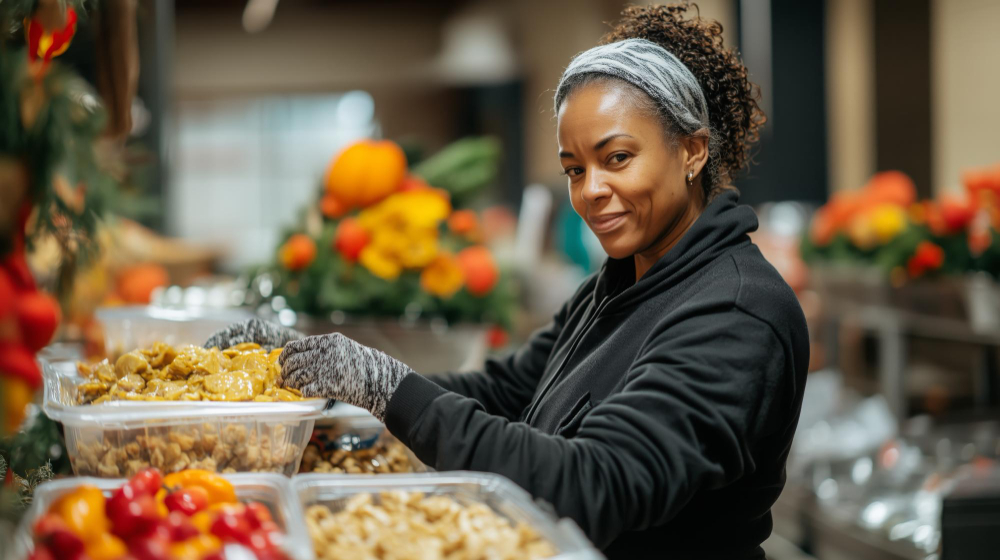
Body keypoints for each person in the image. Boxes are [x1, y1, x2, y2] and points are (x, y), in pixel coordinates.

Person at [208, 5, 808, 559]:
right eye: (574, 169)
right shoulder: (618, 284)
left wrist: (386, 387)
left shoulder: (736, 311)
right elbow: (505, 389)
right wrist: (325, 378)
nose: (591, 191)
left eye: (617, 158)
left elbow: (592, 486)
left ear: (692, 152)